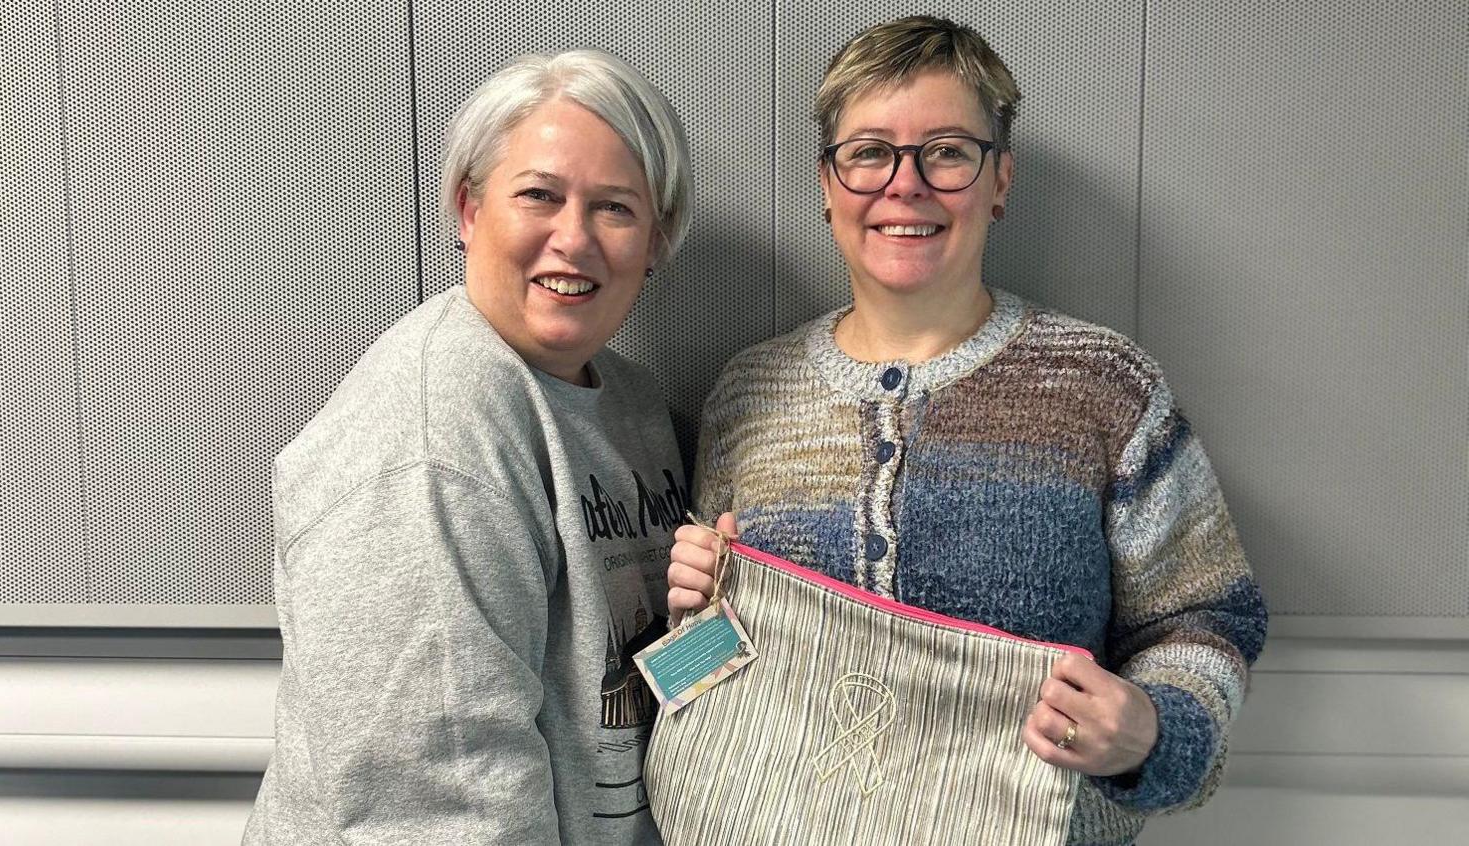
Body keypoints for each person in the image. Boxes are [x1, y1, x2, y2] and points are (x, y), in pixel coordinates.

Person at [665, 16, 1266, 846]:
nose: (904, 185)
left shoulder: (1103, 384)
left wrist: (1154, 733)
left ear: (1000, 181)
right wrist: (692, 613)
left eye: (946, 151)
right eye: (869, 151)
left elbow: (1205, 617)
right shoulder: (747, 392)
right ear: (827, 184)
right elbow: (709, 668)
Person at [246, 49, 692, 844]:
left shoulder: (631, 403)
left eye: (615, 208)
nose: (574, 238)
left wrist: (707, 616)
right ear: (469, 209)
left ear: (657, 241)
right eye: (539, 196)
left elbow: (627, 683)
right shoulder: (434, 430)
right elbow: (438, 798)